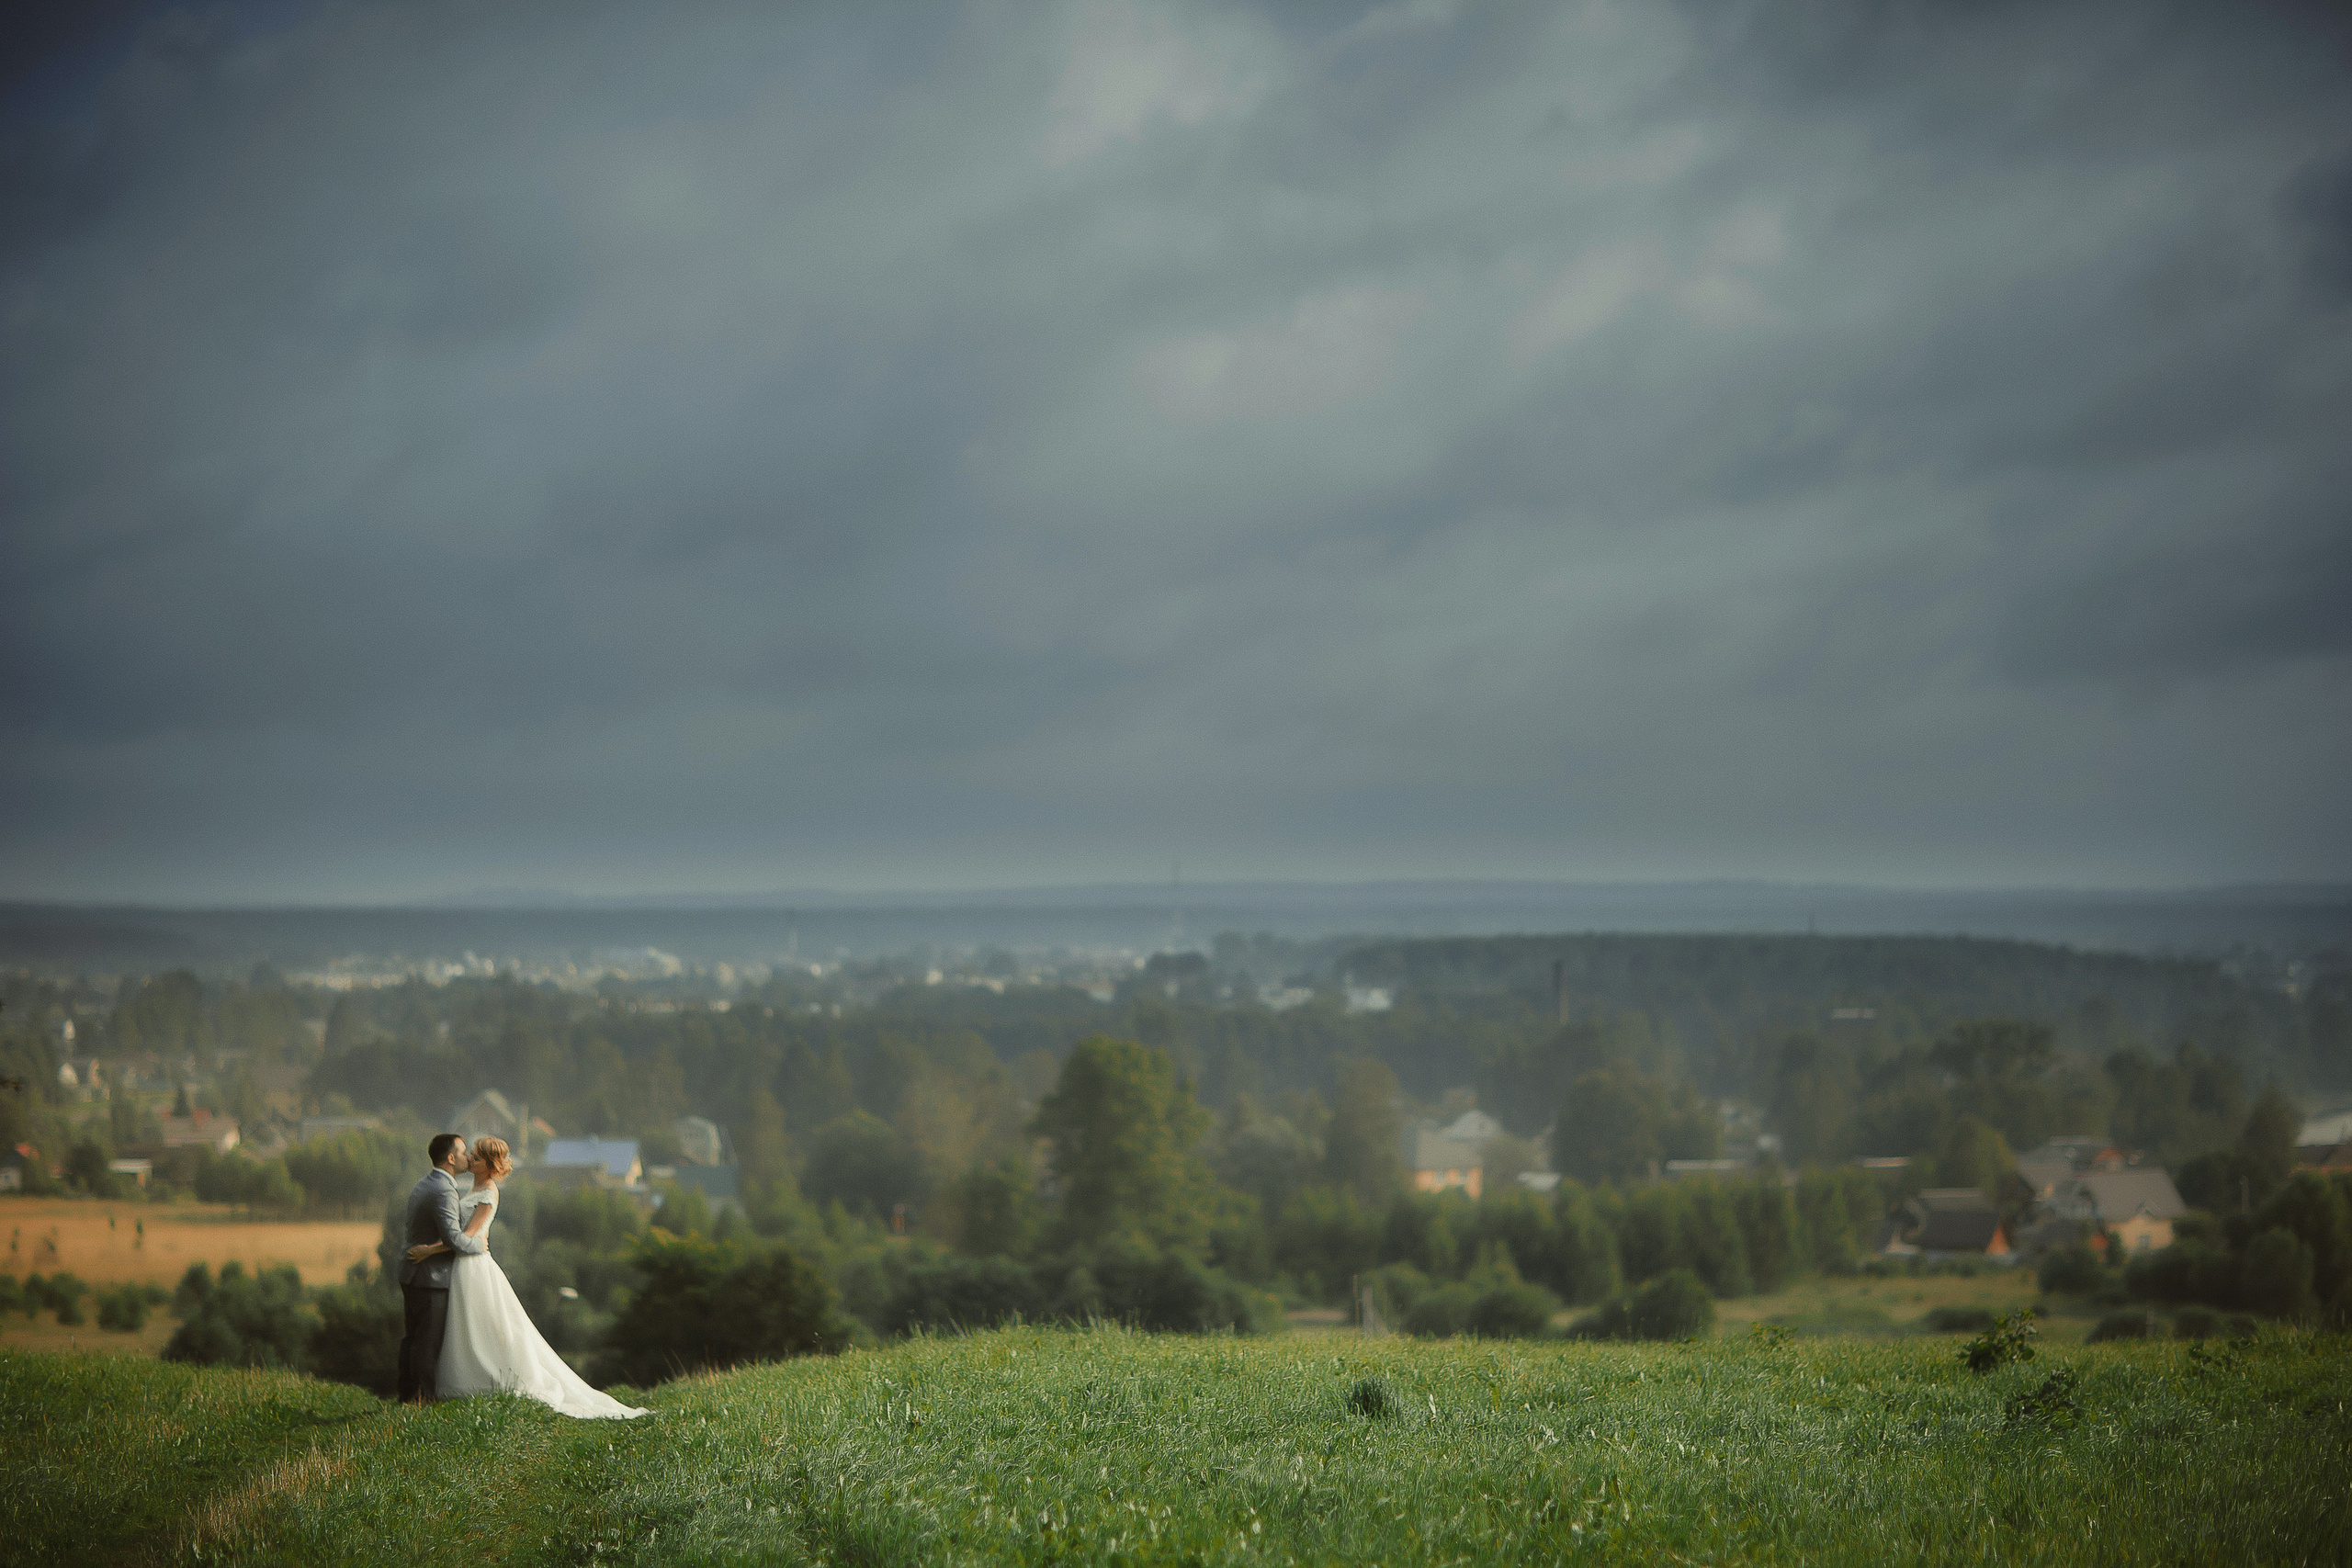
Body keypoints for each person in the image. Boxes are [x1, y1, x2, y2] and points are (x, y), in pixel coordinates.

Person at [406, 1135, 649, 1420]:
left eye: (476, 1157)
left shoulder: (489, 1192)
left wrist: (428, 1251)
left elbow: (466, 1237)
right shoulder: (474, 1186)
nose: (470, 1159)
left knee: (483, 1325)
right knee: (466, 1325)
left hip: (474, 1266)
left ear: (488, 1164)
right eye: (470, 1154)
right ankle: (463, 1381)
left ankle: (484, 1382)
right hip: (463, 1266)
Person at [397, 1133, 487, 1403]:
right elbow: (453, 1238)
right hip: (430, 1278)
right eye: (463, 1153)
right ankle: (424, 1400)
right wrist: (479, 1245)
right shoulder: (444, 1190)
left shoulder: (425, 1183)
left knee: (412, 1339)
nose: (468, 1158)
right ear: (450, 1158)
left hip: (413, 1273)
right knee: (426, 1342)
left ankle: (407, 1397)